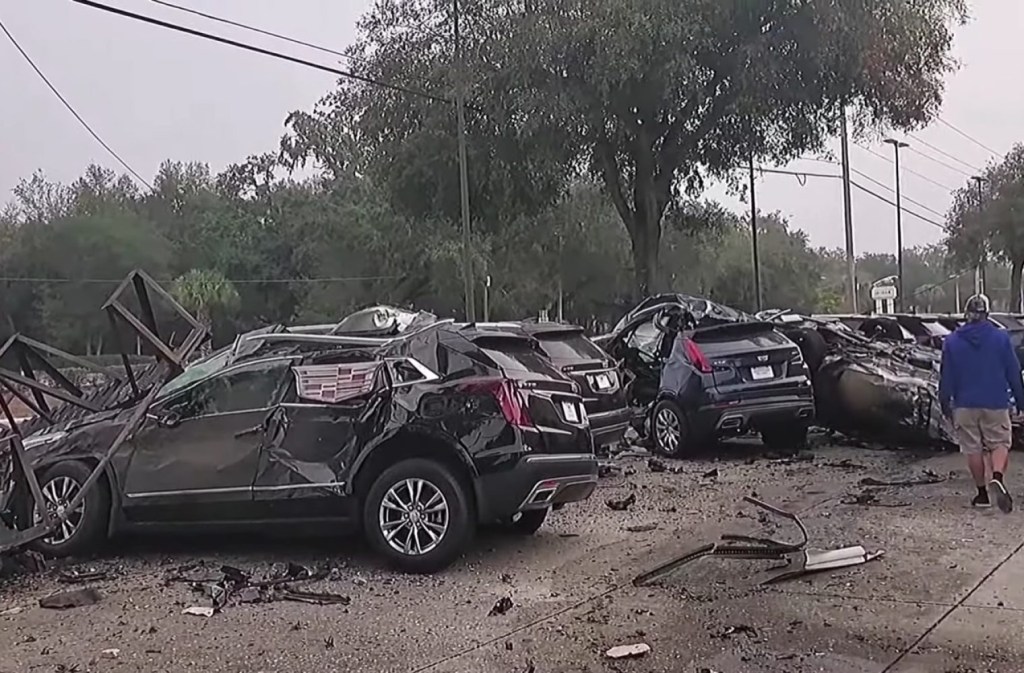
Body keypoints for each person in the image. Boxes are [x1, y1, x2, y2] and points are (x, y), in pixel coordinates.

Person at [939, 294, 1024, 512]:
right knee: (1000, 443)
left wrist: (945, 404)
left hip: (964, 405)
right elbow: (1013, 373)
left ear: (966, 314)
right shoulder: (1001, 338)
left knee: (972, 449)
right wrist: (1021, 402)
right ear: (987, 314)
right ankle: (997, 476)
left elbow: (946, 376)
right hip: (995, 402)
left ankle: (982, 494)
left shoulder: (952, 341)